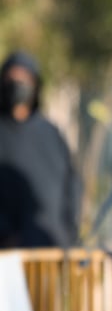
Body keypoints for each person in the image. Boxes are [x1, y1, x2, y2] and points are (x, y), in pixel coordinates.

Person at [0, 50, 80, 248]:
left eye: (24, 78)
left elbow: (72, 185)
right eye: (12, 78)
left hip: (51, 249)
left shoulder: (51, 134)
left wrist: (68, 232)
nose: (18, 85)